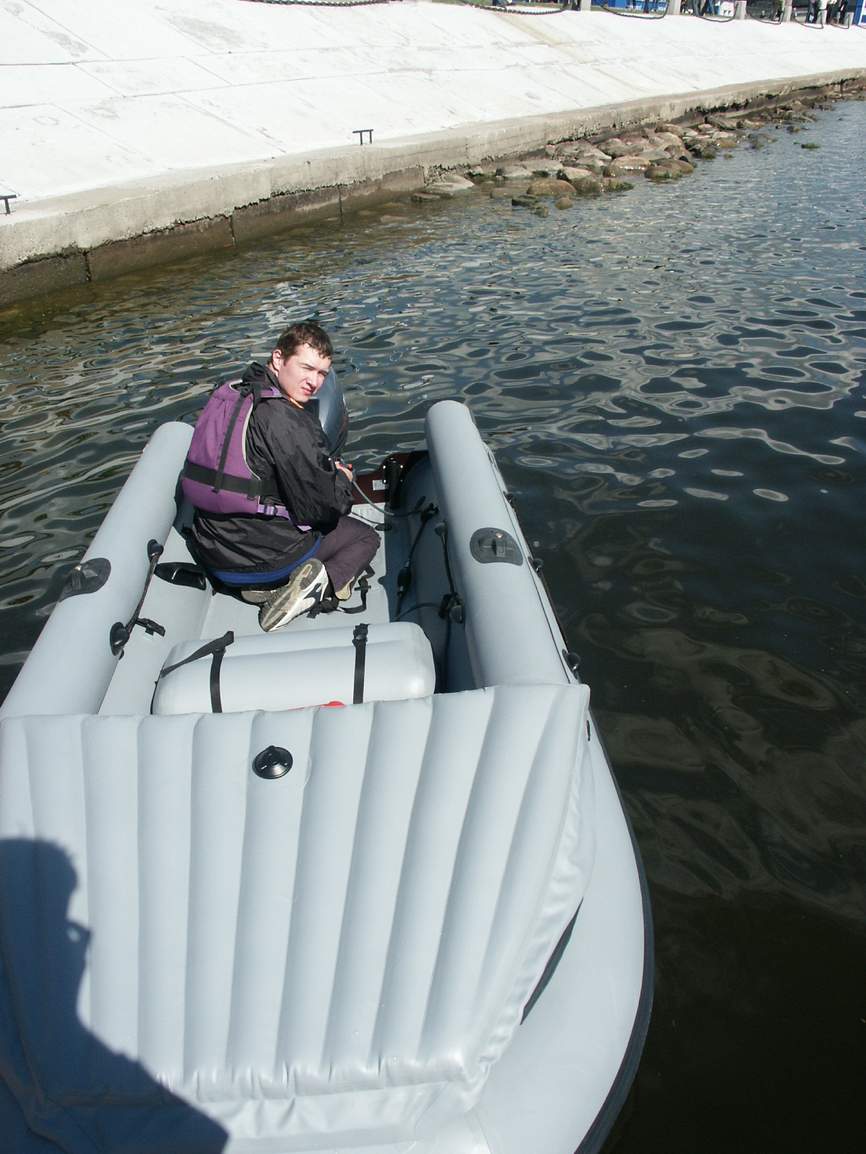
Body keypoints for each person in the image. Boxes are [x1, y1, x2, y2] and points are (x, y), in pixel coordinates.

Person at [183, 321, 379, 631]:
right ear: (278, 359)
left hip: (211, 549)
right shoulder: (285, 419)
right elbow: (323, 509)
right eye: (306, 368)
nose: (314, 382)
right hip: (264, 560)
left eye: (322, 373)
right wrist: (342, 479)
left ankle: (265, 586)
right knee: (365, 536)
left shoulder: (228, 392)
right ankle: (316, 587)